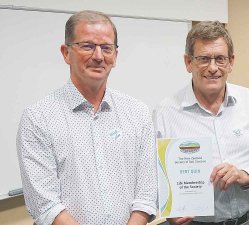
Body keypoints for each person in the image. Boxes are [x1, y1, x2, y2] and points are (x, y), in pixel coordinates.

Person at [17, 10, 157, 225]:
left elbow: (146, 194)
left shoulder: (137, 113)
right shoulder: (38, 118)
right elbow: (46, 206)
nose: (98, 56)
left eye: (106, 48)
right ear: (66, 53)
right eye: (87, 46)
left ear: (115, 56)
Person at [153, 21, 249, 225]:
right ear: (189, 62)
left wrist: (246, 176)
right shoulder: (165, 112)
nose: (213, 68)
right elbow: (152, 176)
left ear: (231, 62)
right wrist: (169, 211)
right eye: (204, 58)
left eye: (220, 59)